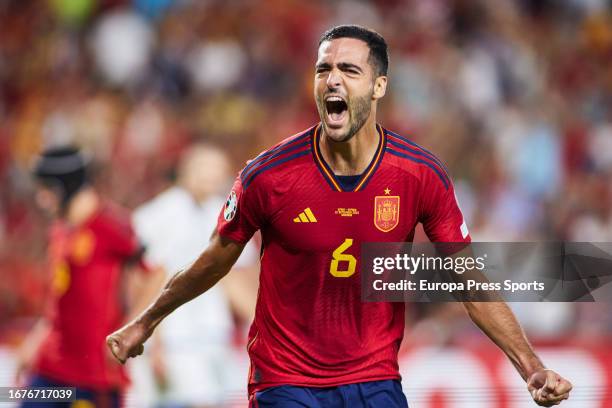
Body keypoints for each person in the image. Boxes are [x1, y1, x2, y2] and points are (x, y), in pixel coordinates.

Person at [106, 25, 573, 407]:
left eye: (349, 69)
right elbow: (213, 260)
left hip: (374, 380)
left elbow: (470, 283)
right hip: (285, 383)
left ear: (379, 85)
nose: (332, 79)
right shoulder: (267, 176)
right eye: (323, 68)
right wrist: (146, 322)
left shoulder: (419, 175)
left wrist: (531, 368)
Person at [16, 146, 164, 407]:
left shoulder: (112, 226)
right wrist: (34, 341)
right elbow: (60, 297)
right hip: (49, 366)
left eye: (46, 190)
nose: (41, 199)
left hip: (95, 375)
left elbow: (157, 275)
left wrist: (134, 326)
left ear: (65, 187)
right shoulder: (60, 228)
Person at [129, 144, 258, 407]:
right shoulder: (157, 216)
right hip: (174, 341)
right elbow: (148, 282)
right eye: (205, 168)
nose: (212, 176)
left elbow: (231, 281)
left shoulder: (225, 213)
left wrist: (264, 326)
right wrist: (152, 339)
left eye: (218, 170)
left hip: (211, 336)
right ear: (186, 170)